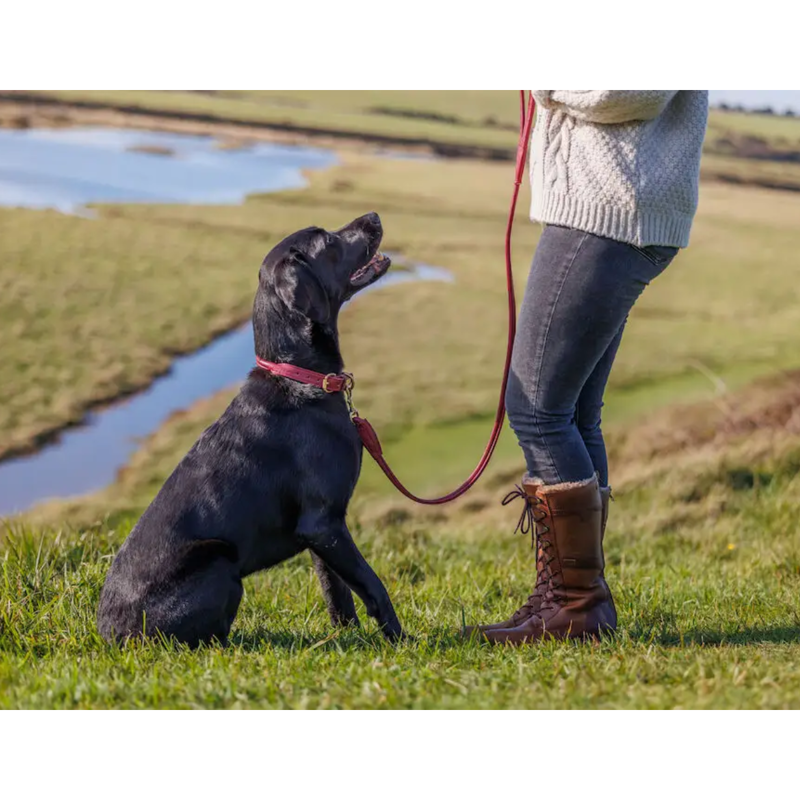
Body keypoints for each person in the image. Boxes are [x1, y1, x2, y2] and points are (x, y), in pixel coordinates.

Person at [468, 90, 709, 645]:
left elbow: (629, 91)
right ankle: (568, 597)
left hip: (610, 211)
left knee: (538, 410)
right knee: (573, 412)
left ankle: (578, 604)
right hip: (610, 210)